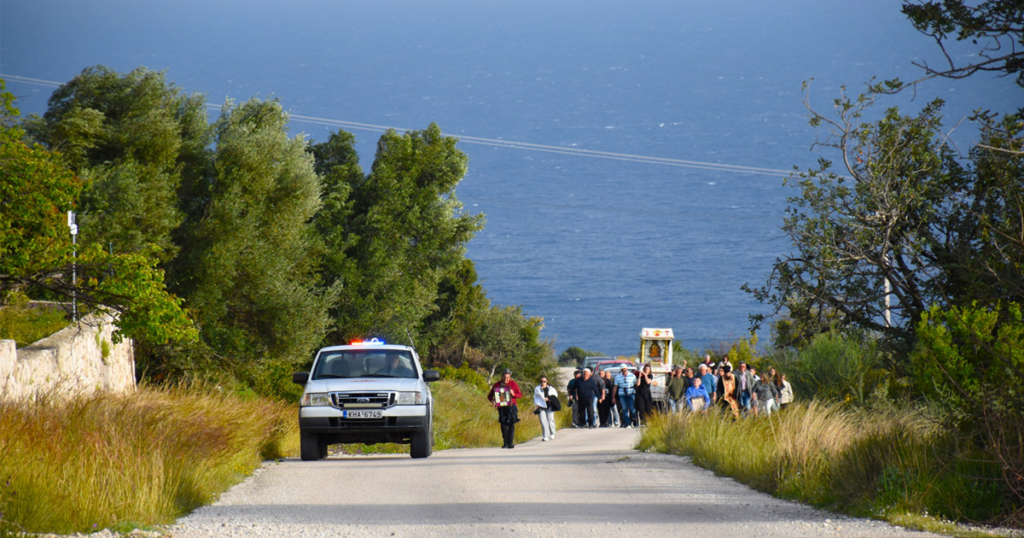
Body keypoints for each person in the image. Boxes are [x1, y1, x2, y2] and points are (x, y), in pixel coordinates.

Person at [487, 369, 523, 449]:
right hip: (502, 407)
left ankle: (510, 442)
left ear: (510, 377)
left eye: (508, 377)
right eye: (504, 377)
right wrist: (493, 401)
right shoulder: (497, 385)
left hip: (512, 406)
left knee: (511, 424)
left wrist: (513, 393)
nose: (506, 379)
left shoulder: (513, 384)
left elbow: (520, 395)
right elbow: (489, 396)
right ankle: (505, 442)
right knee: (503, 424)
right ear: (502, 376)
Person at [533, 376, 559, 441]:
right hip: (541, 406)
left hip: (549, 406)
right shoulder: (537, 389)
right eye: (541, 381)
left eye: (544, 381)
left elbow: (555, 396)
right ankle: (545, 436)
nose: (543, 383)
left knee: (550, 420)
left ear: (547, 381)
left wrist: (549, 398)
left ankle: (552, 433)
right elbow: (535, 397)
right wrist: (537, 404)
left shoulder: (551, 388)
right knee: (543, 421)